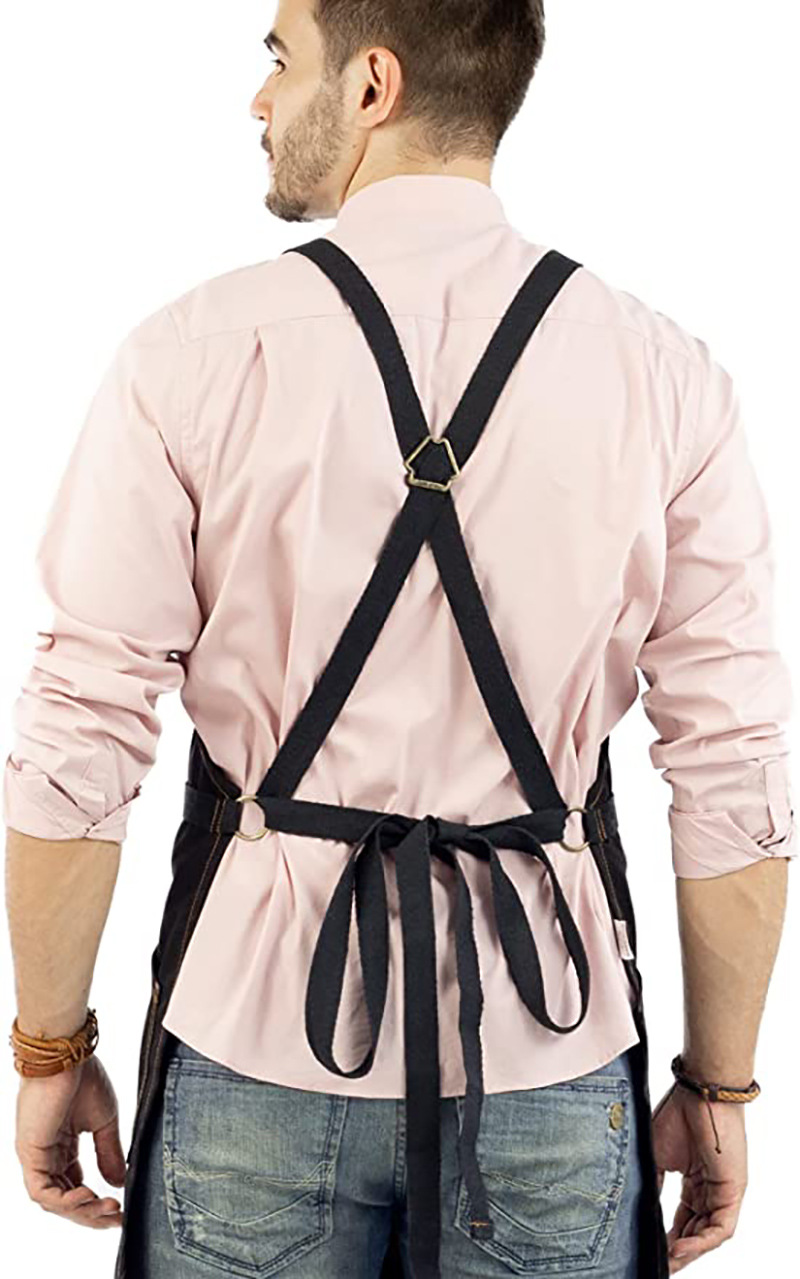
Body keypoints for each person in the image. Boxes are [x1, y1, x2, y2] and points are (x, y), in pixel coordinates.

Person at [4, 2, 795, 1277]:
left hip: (252, 1047)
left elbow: (74, 741)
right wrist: (719, 1086)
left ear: (372, 83)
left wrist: (50, 1049)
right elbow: (735, 766)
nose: (259, 99)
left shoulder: (191, 356)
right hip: (549, 1054)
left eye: (281, 58)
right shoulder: (661, 374)